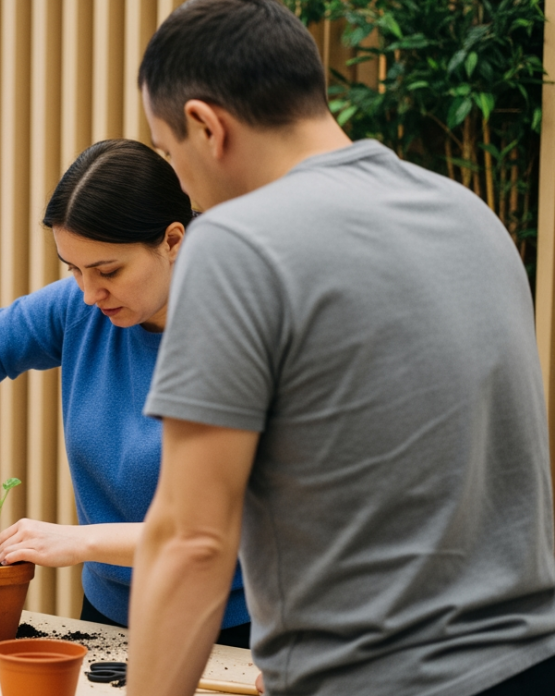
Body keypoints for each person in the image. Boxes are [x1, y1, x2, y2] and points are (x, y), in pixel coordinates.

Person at [127, 1, 555, 694]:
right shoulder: (469, 215)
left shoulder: (235, 244)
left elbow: (193, 541)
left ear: (206, 126)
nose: (183, 186)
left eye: (171, 155)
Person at [0, 139, 252, 648]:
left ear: (173, 240)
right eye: (72, 269)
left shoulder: (243, 330)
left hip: (232, 628)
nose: (88, 292)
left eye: (108, 271)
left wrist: (78, 541)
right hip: (107, 617)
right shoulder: (86, 307)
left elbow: (220, 530)